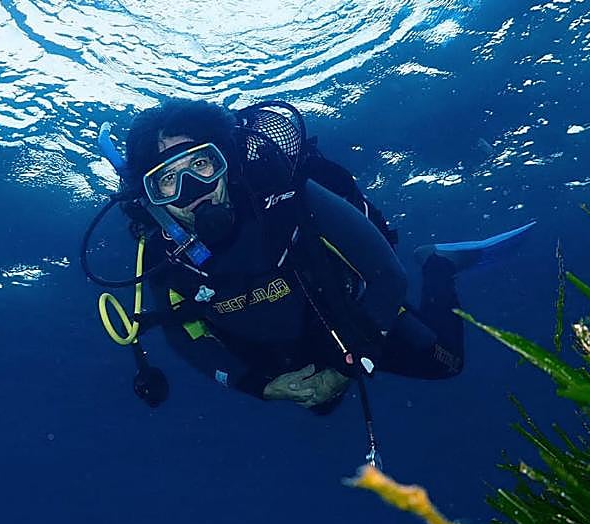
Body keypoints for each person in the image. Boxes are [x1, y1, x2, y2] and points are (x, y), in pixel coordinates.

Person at [110, 97, 532, 416]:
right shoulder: (163, 253)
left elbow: (387, 275)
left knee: (448, 363)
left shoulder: (287, 199)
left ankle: (439, 265)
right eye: (167, 180)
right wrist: (261, 387)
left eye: (202, 164)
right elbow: (184, 337)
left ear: (227, 161)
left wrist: (344, 367)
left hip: (350, 322)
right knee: (322, 408)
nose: (193, 188)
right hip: (277, 358)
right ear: (149, 198)